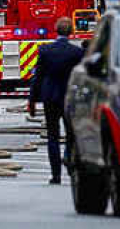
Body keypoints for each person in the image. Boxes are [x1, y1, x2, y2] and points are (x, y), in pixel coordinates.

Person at [28, 17, 84, 184]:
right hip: (69, 99)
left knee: (52, 136)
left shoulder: (45, 51)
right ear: (71, 32)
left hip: (50, 98)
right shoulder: (77, 53)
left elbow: (37, 77)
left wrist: (32, 100)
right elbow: (81, 78)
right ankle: (70, 161)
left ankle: (56, 175)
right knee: (71, 135)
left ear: (56, 30)